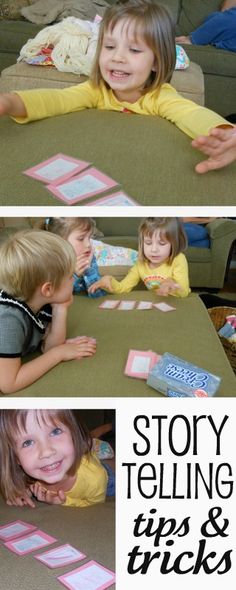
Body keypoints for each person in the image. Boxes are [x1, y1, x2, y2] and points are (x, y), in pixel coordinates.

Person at [0, 0, 235, 174]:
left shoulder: (160, 96)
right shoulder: (95, 90)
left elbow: (190, 113)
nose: (118, 57)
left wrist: (222, 132)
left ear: (156, 62)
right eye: (110, 47)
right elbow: (56, 100)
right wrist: (11, 102)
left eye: (133, 50)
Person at [0, 230, 96, 394]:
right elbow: (8, 383)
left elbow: (49, 346)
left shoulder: (40, 301)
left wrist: (61, 309)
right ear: (48, 289)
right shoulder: (8, 320)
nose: (74, 279)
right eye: (69, 277)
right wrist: (59, 354)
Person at [0, 409, 113, 508]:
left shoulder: (95, 479)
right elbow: (19, 485)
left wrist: (64, 502)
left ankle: (105, 431)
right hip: (78, 453)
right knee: (91, 444)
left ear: (74, 435)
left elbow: (95, 506)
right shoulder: (30, 471)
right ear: (16, 459)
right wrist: (20, 493)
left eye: (55, 432)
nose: (46, 452)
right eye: (28, 443)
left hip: (106, 476)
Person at [89, 217, 190, 297]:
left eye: (162, 243)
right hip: (157, 303)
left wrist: (172, 284)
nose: (154, 249)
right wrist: (109, 280)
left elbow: (184, 292)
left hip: (178, 304)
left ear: (174, 244)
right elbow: (123, 288)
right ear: (142, 244)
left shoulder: (178, 259)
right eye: (148, 243)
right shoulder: (140, 264)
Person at [38, 217, 106, 297]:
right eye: (81, 239)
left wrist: (89, 270)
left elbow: (98, 295)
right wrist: (74, 276)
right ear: (60, 242)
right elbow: (53, 296)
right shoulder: (50, 262)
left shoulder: (89, 258)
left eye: (89, 237)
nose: (88, 244)